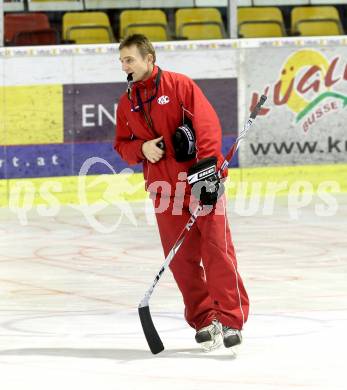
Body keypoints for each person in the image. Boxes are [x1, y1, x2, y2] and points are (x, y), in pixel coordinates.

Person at [114, 34, 249, 352]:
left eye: (129, 59)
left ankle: (230, 318)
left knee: (217, 252)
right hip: (164, 191)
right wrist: (141, 148)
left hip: (199, 185)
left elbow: (207, 125)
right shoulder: (127, 103)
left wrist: (208, 170)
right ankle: (204, 319)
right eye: (121, 61)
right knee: (182, 261)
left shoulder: (179, 86)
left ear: (149, 59)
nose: (124, 66)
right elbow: (121, 145)